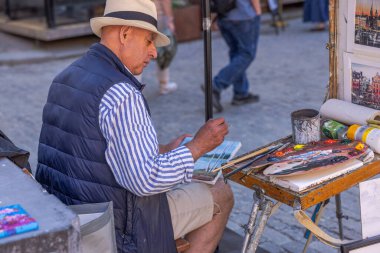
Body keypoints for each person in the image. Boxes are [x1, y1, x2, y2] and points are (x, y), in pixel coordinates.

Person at [35, 0, 234, 253]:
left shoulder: (66, 76)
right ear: (125, 33)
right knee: (221, 191)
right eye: (149, 41)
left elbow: (94, 151)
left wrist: (164, 150)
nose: (154, 52)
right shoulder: (122, 93)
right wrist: (196, 148)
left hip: (69, 215)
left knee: (189, 182)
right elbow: (145, 181)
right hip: (117, 232)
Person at [211, 0, 262, 113]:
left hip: (224, 16)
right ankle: (216, 85)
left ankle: (240, 93)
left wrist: (213, 16)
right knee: (247, 54)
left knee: (236, 53)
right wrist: (258, 12)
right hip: (243, 15)